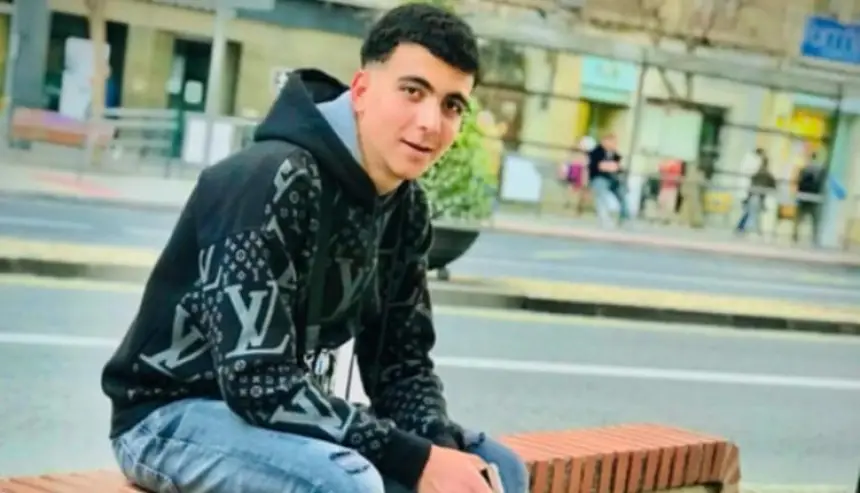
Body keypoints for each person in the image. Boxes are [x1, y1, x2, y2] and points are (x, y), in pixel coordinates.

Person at [100, 4, 528, 493]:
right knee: (346, 484)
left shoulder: (406, 208)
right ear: (361, 91)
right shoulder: (267, 179)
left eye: (452, 105)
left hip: (276, 417)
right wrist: (413, 460)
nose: (431, 122)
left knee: (497, 469)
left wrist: (439, 450)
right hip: (169, 416)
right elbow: (256, 379)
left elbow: (401, 365)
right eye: (413, 91)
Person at [587, 132, 628, 227]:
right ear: (605, 141)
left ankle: (625, 218)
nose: (614, 144)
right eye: (612, 142)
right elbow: (597, 166)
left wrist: (611, 166)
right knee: (601, 193)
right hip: (599, 178)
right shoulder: (596, 152)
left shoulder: (615, 155)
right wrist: (610, 166)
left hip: (613, 179)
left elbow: (619, 168)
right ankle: (604, 217)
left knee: (623, 193)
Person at [736, 149, 776, 235]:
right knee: (753, 213)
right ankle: (749, 229)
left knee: (750, 212)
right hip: (758, 196)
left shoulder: (758, 172)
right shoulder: (765, 174)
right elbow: (773, 186)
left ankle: (743, 228)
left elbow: (753, 184)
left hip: (754, 195)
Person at [793, 153, 825, 244]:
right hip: (814, 197)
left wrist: (799, 194)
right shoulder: (819, 170)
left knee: (799, 218)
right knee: (815, 219)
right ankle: (815, 236)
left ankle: (795, 235)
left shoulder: (804, 168)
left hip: (803, 197)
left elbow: (799, 182)